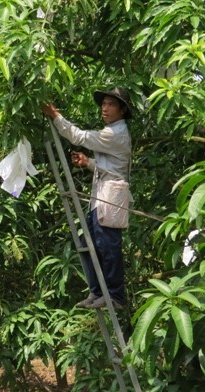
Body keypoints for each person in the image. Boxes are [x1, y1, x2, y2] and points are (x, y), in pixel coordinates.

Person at [42, 87, 133, 309]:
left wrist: (55, 116)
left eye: (111, 104)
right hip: (101, 195)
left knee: (108, 245)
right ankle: (98, 291)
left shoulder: (115, 133)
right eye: (104, 103)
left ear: (122, 110)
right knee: (90, 244)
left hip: (110, 197)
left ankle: (115, 296)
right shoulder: (111, 131)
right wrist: (89, 163)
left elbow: (79, 136)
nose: (105, 107)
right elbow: (111, 166)